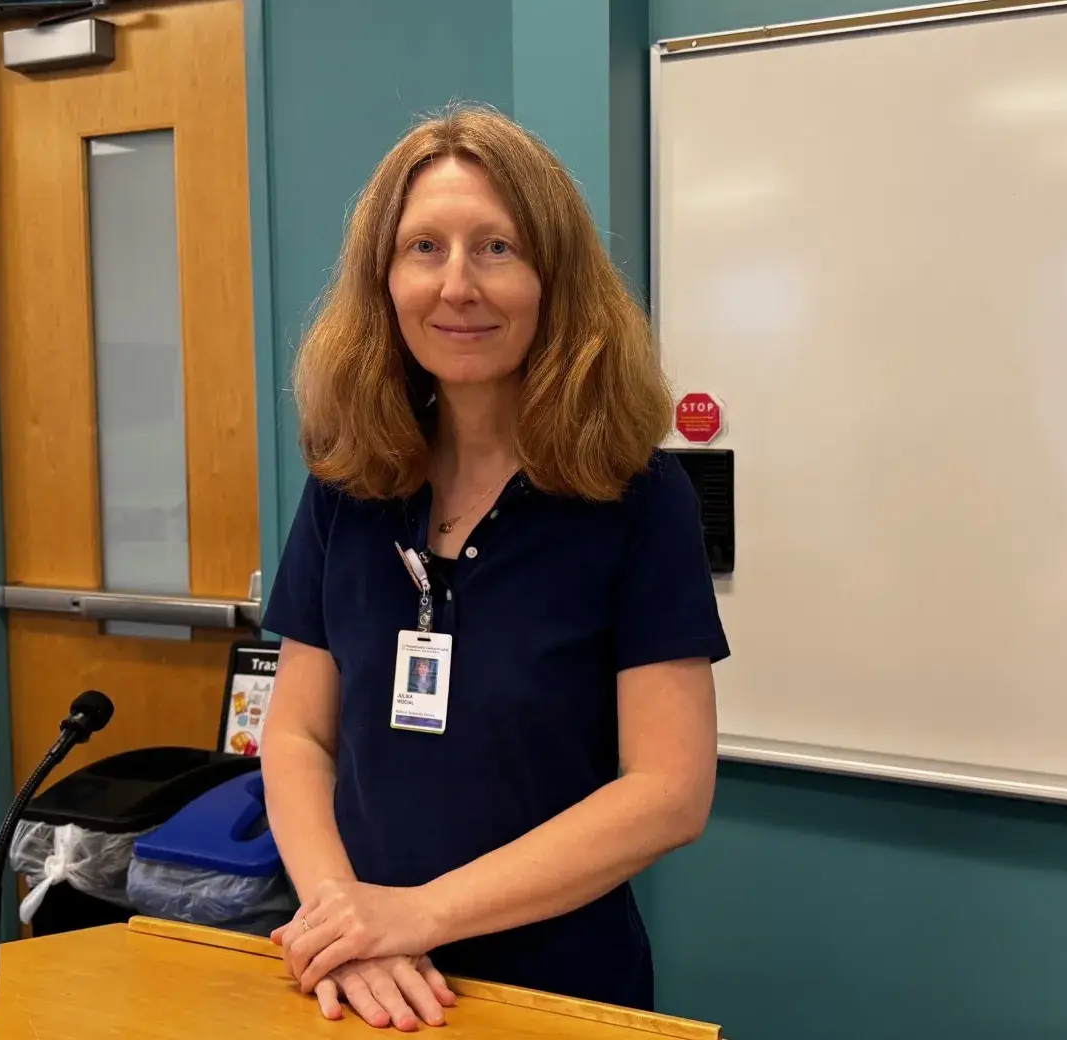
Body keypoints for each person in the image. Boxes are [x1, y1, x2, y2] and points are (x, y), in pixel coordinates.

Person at [259, 105, 727, 1032]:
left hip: (552, 990)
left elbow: (670, 791)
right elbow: (297, 737)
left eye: (498, 248)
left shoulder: (636, 496)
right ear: (383, 281)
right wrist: (342, 916)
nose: (457, 284)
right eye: (424, 247)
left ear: (556, 278)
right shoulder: (347, 481)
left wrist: (415, 914)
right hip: (354, 987)